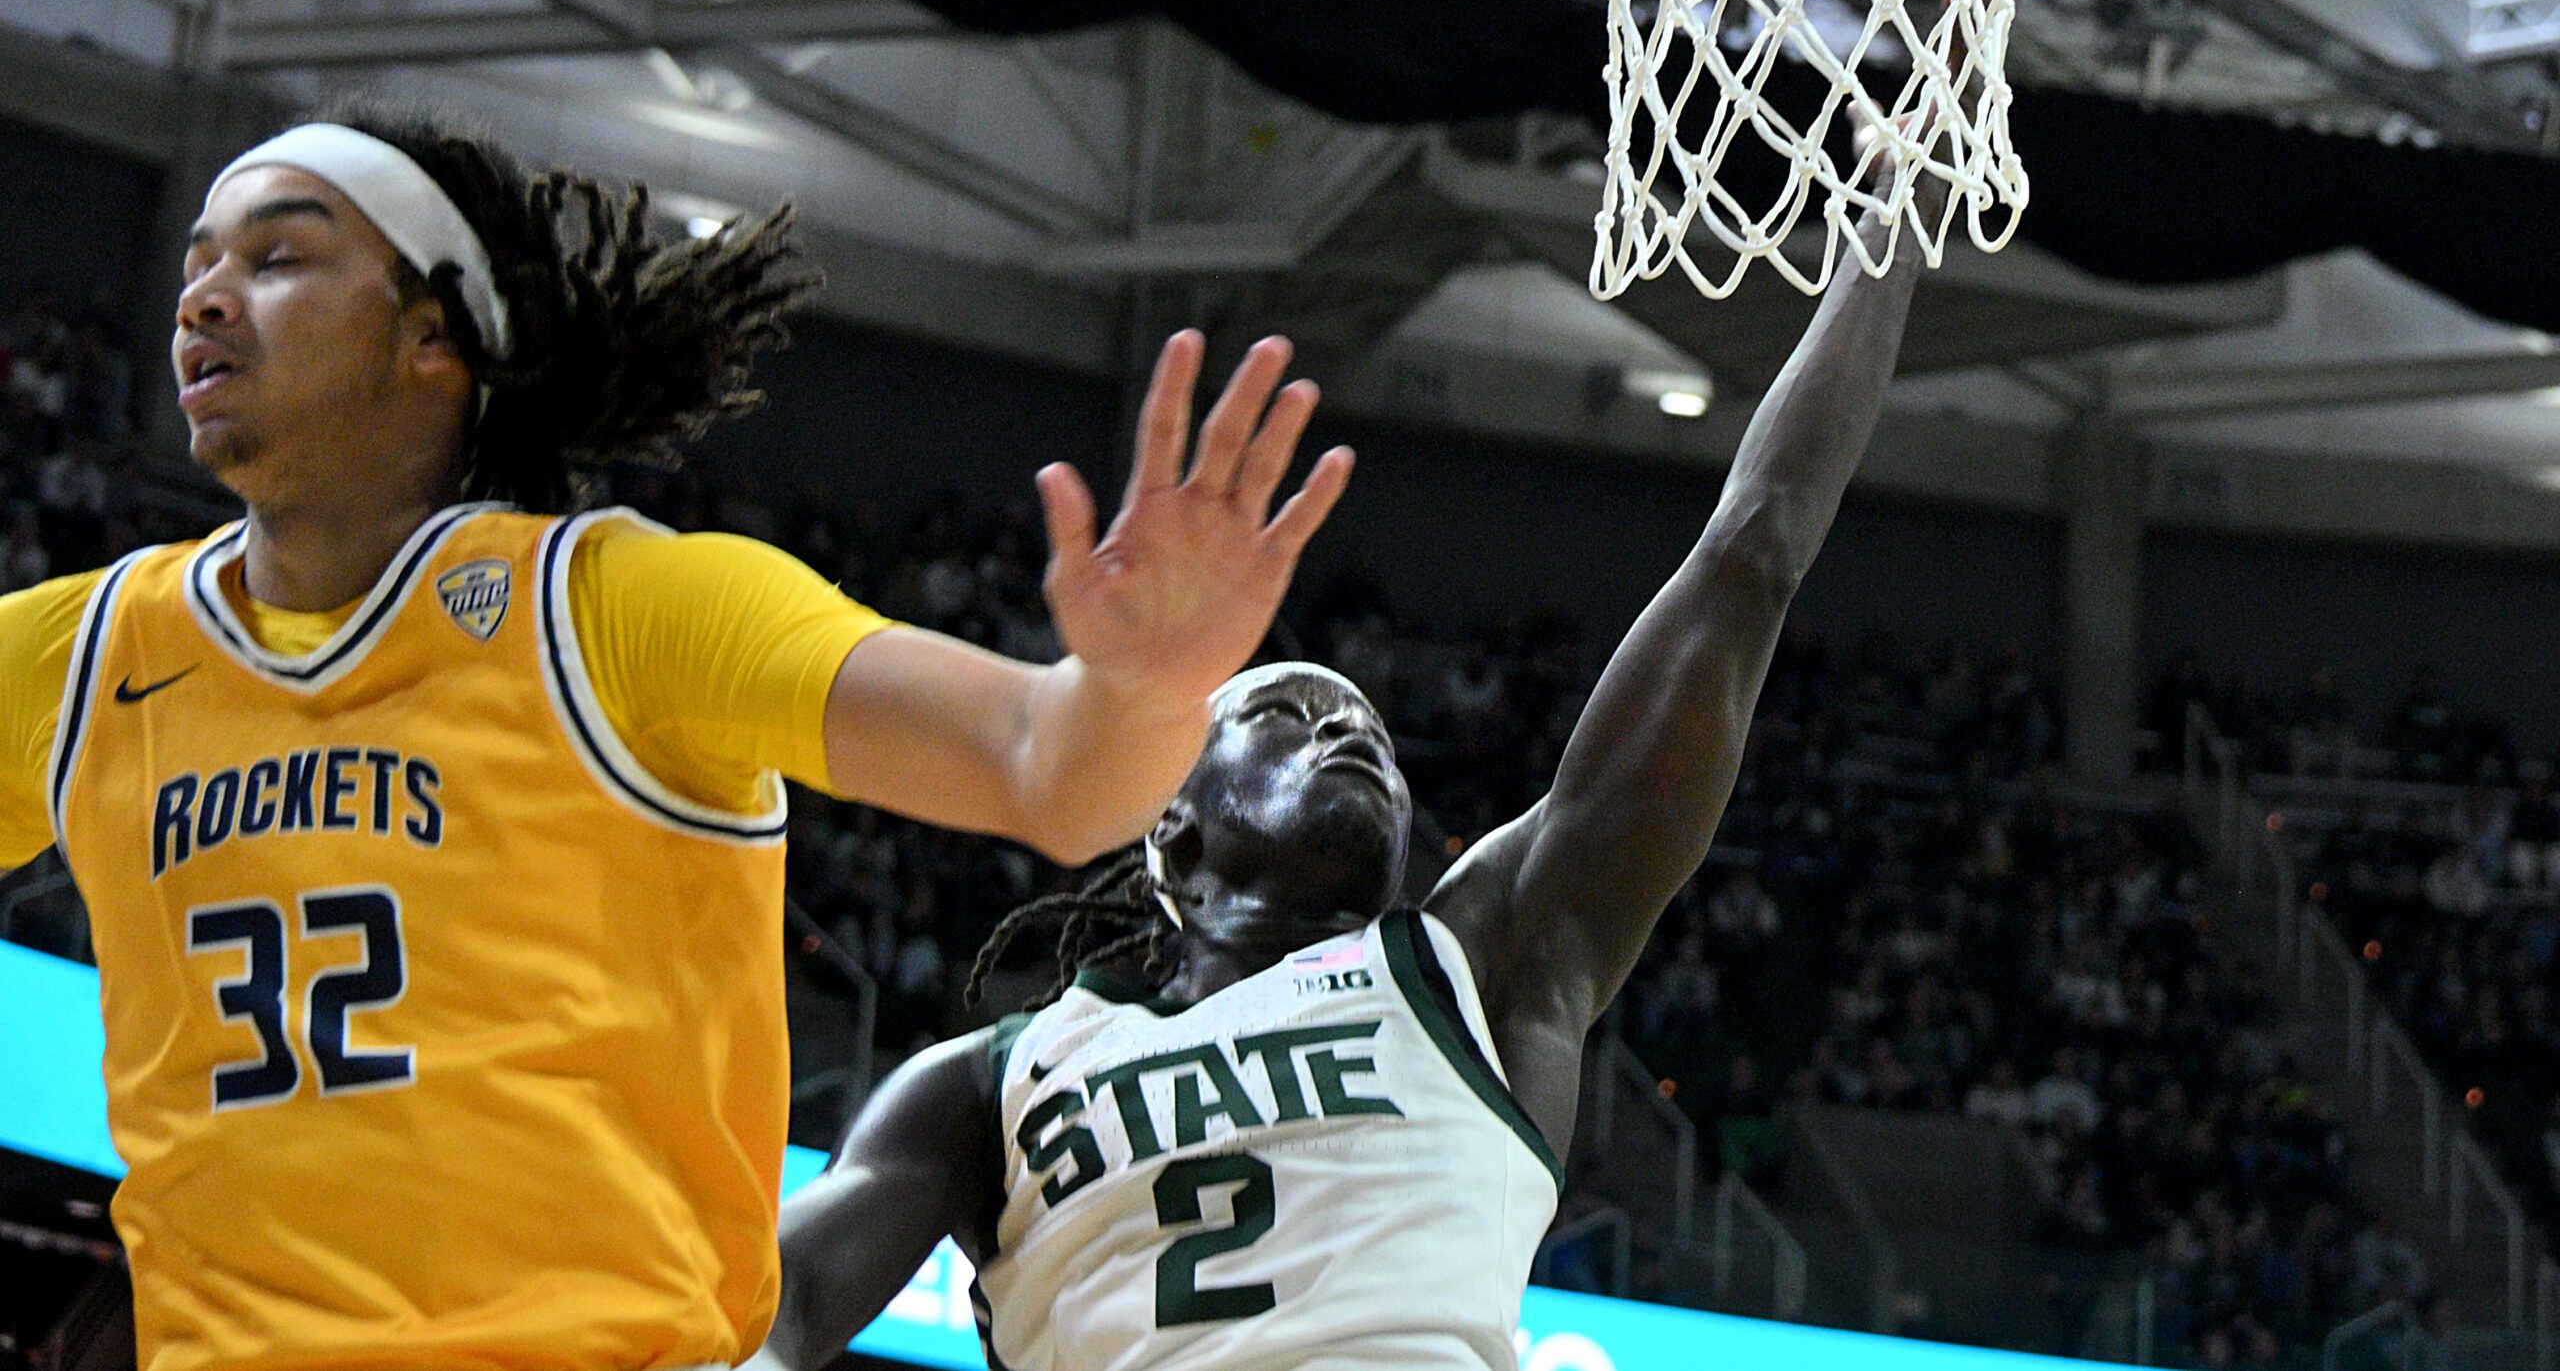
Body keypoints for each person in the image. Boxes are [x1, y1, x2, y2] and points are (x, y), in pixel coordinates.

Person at [0, 107, 1352, 1371]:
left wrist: (1142, 686)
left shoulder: (610, 606)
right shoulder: (91, 655)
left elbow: (1045, 774)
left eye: (279, 254)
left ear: (431, 338)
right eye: (198, 261)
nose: (205, 295)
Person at [752, 109, 1940, 1371]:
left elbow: (1747, 554)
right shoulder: (987, 1083)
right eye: (1286, 714)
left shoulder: (1484, 962)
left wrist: (1892, 236)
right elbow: (777, 1311)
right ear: (1174, 828)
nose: (1349, 733)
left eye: (1364, 724)